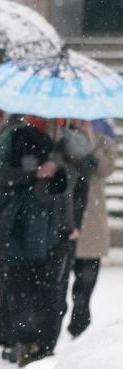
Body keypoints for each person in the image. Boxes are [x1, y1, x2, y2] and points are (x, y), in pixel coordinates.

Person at [0, 116, 73, 365]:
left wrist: (63, 154)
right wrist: (34, 173)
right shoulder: (15, 134)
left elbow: (76, 179)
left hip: (56, 228)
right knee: (19, 289)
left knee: (52, 291)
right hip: (20, 225)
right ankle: (24, 341)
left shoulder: (67, 138)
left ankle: (44, 345)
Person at [64, 120, 115, 337]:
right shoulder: (62, 138)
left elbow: (105, 168)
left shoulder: (103, 141)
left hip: (92, 217)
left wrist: (91, 142)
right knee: (61, 277)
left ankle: (79, 321)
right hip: (67, 213)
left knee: (87, 278)